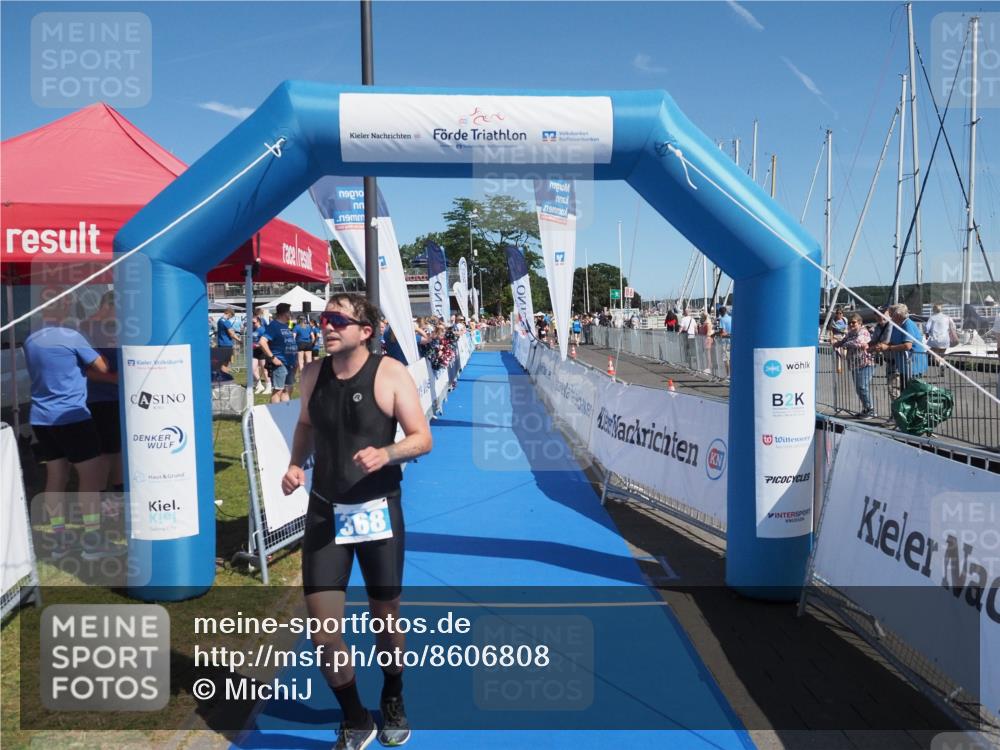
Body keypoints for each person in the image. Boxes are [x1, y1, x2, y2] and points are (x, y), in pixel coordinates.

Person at [282, 293, 432, 750]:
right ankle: (355, 717)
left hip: (376, 510)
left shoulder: (390, 374)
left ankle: (392, 694)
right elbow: (306, 424)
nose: (325, 326)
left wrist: (386, 452)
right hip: (326, 509)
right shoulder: (311, 374)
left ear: (365, 331)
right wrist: (294, 463)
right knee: (323, 631)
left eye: (336, 319)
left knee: (384, 618)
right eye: (322, 318)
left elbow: (422, 438)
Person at [23, 294, 123, 560]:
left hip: (41, 418)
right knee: (89, 480)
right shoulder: (72, 336)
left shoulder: (31, 339)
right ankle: (92, 541)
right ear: (64, 308)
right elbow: (102, 366)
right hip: (72, 417)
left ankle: (58, 542)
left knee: (55, 478)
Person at [872, 303, 928, 407]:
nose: (890, 317)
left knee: (911, 393)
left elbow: (908, 345)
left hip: (912, 365)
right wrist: (883, 346)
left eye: (891, 314)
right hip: (903, 365)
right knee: (904, 392)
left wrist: (888, 348)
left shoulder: (908, 324)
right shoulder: (898, 325)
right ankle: (904, 415)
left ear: (898, 315)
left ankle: (911, 416)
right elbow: (894, 342)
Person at [832, 313, 877, 418]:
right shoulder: (850, 333)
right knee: (858, 388)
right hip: (854, 364)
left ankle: (871, 409)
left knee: (862, 386)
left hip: (866, 362)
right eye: (850, 322)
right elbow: (843, 340)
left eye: (854, 322)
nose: (851, 324)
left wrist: (844, 344)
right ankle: (866, 409)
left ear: (859, 323)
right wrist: (839, 343)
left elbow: (858, 342)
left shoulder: (863, 331)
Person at [259, 303, 298, 404]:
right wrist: (273, 358)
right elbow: (262, 342)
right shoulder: (274, 325)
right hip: (280, 362)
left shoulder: (286, 325)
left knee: (288, 389)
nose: (291, 314)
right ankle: (274, 414)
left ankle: (285, 413)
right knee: (278, 390)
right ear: (284, 313)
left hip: (290, 362)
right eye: (289, 312)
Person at [924, 304, 957, 376]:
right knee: (942, 356)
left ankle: (941, 365)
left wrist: (926, 334)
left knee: (935, 356)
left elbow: (927, 327)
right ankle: (942, 368)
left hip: (935, 339)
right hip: (945, 339)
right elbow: (953, 327)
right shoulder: (947, 317)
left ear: (933, 310)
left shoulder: (932, 318)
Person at [215, 308, 236, 374]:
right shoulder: (226, 322)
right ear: (229, 314)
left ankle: (223, 377)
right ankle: (225, 378)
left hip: (221, 343)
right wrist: (239, 340)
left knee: (223, 362)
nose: (230, 318)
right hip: (227, 344)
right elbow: (231, 333)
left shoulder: (219, 320)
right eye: (231, 316)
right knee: (225, 363)